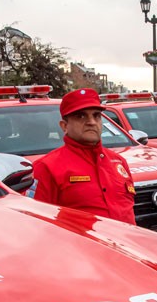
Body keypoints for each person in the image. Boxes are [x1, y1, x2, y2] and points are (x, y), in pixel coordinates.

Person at [27, 88, 136, 224]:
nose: (91, 122)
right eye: (81, 116)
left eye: (96, 116)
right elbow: (37, 222)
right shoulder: (46, 167)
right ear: (64, 126)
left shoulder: (118, 162)